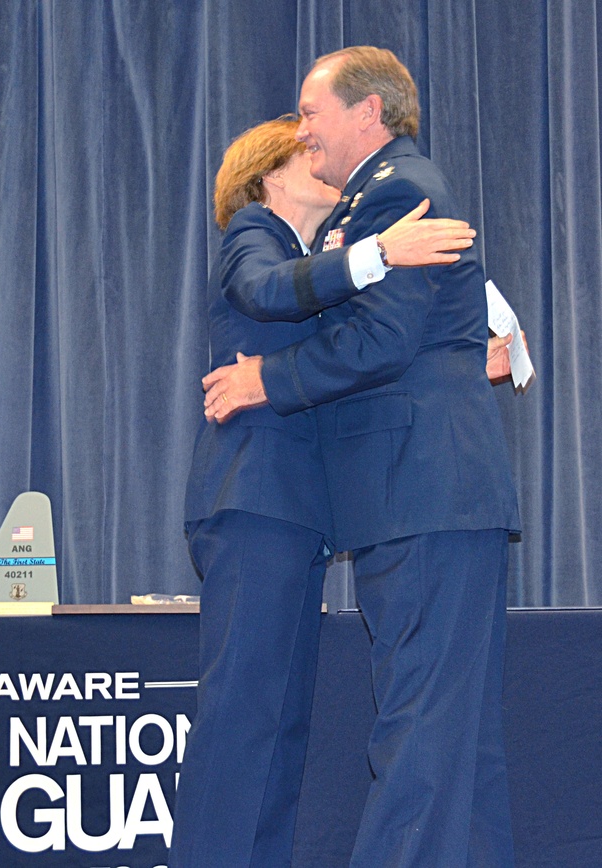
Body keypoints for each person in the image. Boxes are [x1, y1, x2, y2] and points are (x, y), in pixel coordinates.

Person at [202, 48, 520, 866]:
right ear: (267, 179)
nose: (307, 138)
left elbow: (390, 333)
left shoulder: (397, 193)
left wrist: (480, 347)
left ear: (366, 114)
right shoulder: (274, 232)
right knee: (426, 729)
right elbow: (282, 294)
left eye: (312, 117)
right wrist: (465, 335)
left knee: (427, 728)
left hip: (417, 494)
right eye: (297, 135)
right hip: (341, 498)